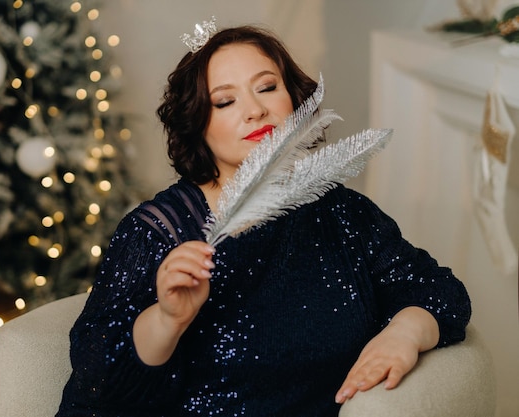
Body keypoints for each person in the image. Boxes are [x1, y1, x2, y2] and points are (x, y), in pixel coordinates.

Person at [55, 23, 471, 417]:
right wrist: (167, 320)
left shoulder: (342, 213)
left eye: (268, 88)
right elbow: (99, 384)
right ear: (197, 122)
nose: (255, 110)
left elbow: (439, 291)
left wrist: (405, 333)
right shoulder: (156, 231)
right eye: (225, 100)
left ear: (294, 99)